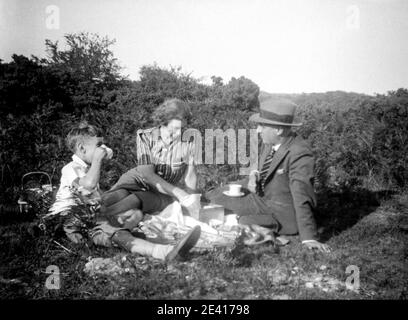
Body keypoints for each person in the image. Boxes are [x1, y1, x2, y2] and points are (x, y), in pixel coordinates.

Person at [43, 121, 201, 262]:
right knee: (116, 233)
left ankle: (161, 240)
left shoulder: (86, 169)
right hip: (71, 219)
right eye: (98, 145)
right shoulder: (70, 168)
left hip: (87, 217)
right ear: (82, 148)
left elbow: (93, 199)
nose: (103, 149)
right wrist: (98, 159)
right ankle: (164, 252)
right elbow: (88, 185)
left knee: (128, 218)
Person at [206, 98, 331, 253]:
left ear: (278, 130)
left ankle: (262, 233)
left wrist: (309, 237)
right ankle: (245, 224)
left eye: (262, 126)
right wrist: (253, 176)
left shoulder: (299, 153)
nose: (258, 130)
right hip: (263, 198)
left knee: (232, 214)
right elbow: (259, 165)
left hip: (280, 213)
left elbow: (302, 195)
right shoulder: (271, 142)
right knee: (215, 194)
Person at [101, 98, 200, 221]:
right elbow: (147, 175)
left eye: (182, 128)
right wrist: (180, 193)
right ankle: (95, 217)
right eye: (173, 129)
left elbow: (190, 176)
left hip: (162, 193)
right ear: (163, 123)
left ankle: (104, 218)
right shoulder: (146, 136)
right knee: (113, 198)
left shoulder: (190, 140)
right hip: (136, 181)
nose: (179, 133)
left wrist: (192, 201)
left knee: (135, 200)